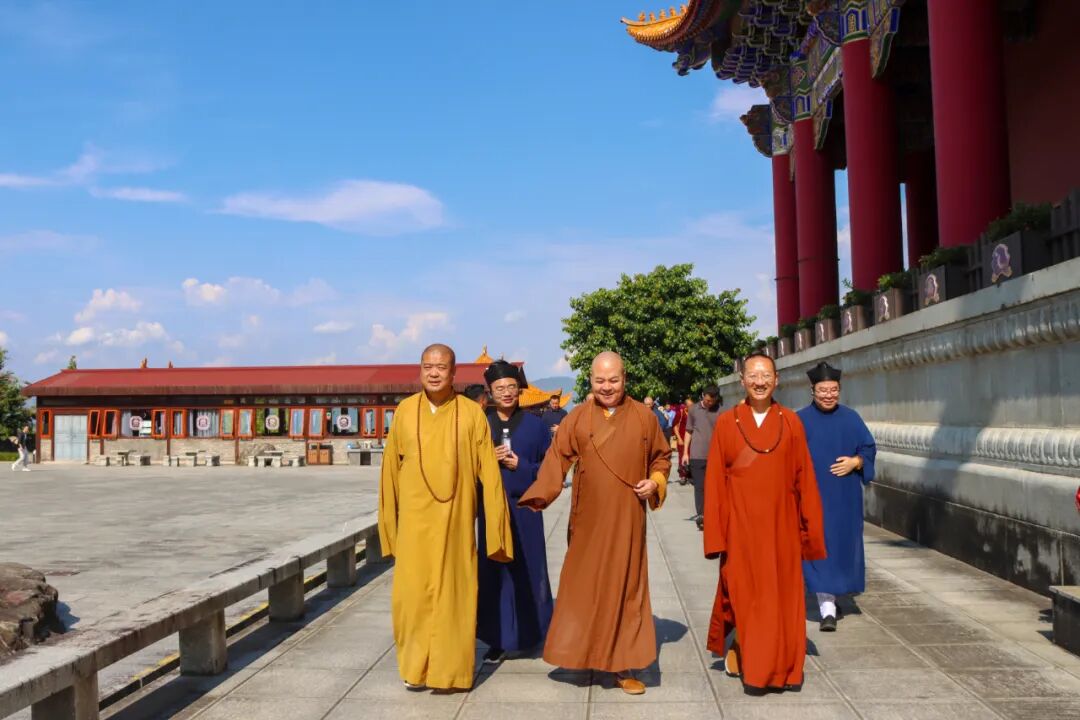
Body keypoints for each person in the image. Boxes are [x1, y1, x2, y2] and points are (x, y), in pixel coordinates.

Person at [519, 351, 671, 695]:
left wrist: (655, 482)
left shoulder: (645, 417)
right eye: (600, 380)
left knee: (624, 588)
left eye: (613, 380)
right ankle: (582, 654)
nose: (607, 386)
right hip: (587, 519)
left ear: (625, 379)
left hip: (627, 518)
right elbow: (557, 457)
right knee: (582, 588)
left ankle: (621, 665)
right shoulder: (577, 418)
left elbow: (661, 458)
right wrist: (539, 494)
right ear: (590, 380)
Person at [378, 343, 513, 691]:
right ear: (420, 370)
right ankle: (414, 669)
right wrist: (389, 529)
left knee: (455, 598)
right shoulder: (405, 411)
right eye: (428, 367)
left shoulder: (471, 414)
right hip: (414, 525)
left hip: (456, 522)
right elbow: (389, 472)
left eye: (441, 367)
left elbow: (490, 474)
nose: (434, 373)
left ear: (454, 373)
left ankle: (450, 672)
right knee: (411, 599)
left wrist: (496, 532)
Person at [703, 352, 825, 693]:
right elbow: (715, 483)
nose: (760, 382)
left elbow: (805, 480)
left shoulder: (791, 422)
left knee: (780, 600)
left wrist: (810, 531)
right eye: (753, 376)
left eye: (766, 376)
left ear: (777, 380)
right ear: (742, 380)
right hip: (741, 527)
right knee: (745, 595)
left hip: (781, 527)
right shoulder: (727, 423)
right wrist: (716, 536)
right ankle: (752, 662)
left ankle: (782, 668)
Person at [477, 360, 554, 664]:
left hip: (525, 509)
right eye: (500, 388)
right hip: (491, 509)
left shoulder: (536, 425)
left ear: (519, 389)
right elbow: (466, 466)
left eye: (511, 387)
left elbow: (550, 470)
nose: (507, 393)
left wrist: (521, 465)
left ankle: (533, 633)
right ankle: (497, 639)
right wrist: (488, 458)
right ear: (490, 392)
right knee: (494, 573)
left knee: (528, 569)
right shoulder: (481, 424)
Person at [798, 361, 876, 631]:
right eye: (823, 390)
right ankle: (827, 608)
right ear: (812, 390)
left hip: (845, 498)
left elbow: (868, 447)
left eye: (833, 390)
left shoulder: (851, 418)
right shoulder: (799, 420)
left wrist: (856, 462)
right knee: (819, 547)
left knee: (842, 547)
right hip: (813, 496)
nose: (828, 395)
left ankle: (833, 594)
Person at [682, 386, 721, 531]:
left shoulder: (720, 410)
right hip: (697, 455)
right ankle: (701, 515)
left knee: (714, 487)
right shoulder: (693, 409)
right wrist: (685, 453)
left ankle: (713, 514)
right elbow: (688, 431)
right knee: (699, 487)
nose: (709, 403)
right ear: (703, 395)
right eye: (707, 400)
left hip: (715, 455)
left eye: (712, 401)